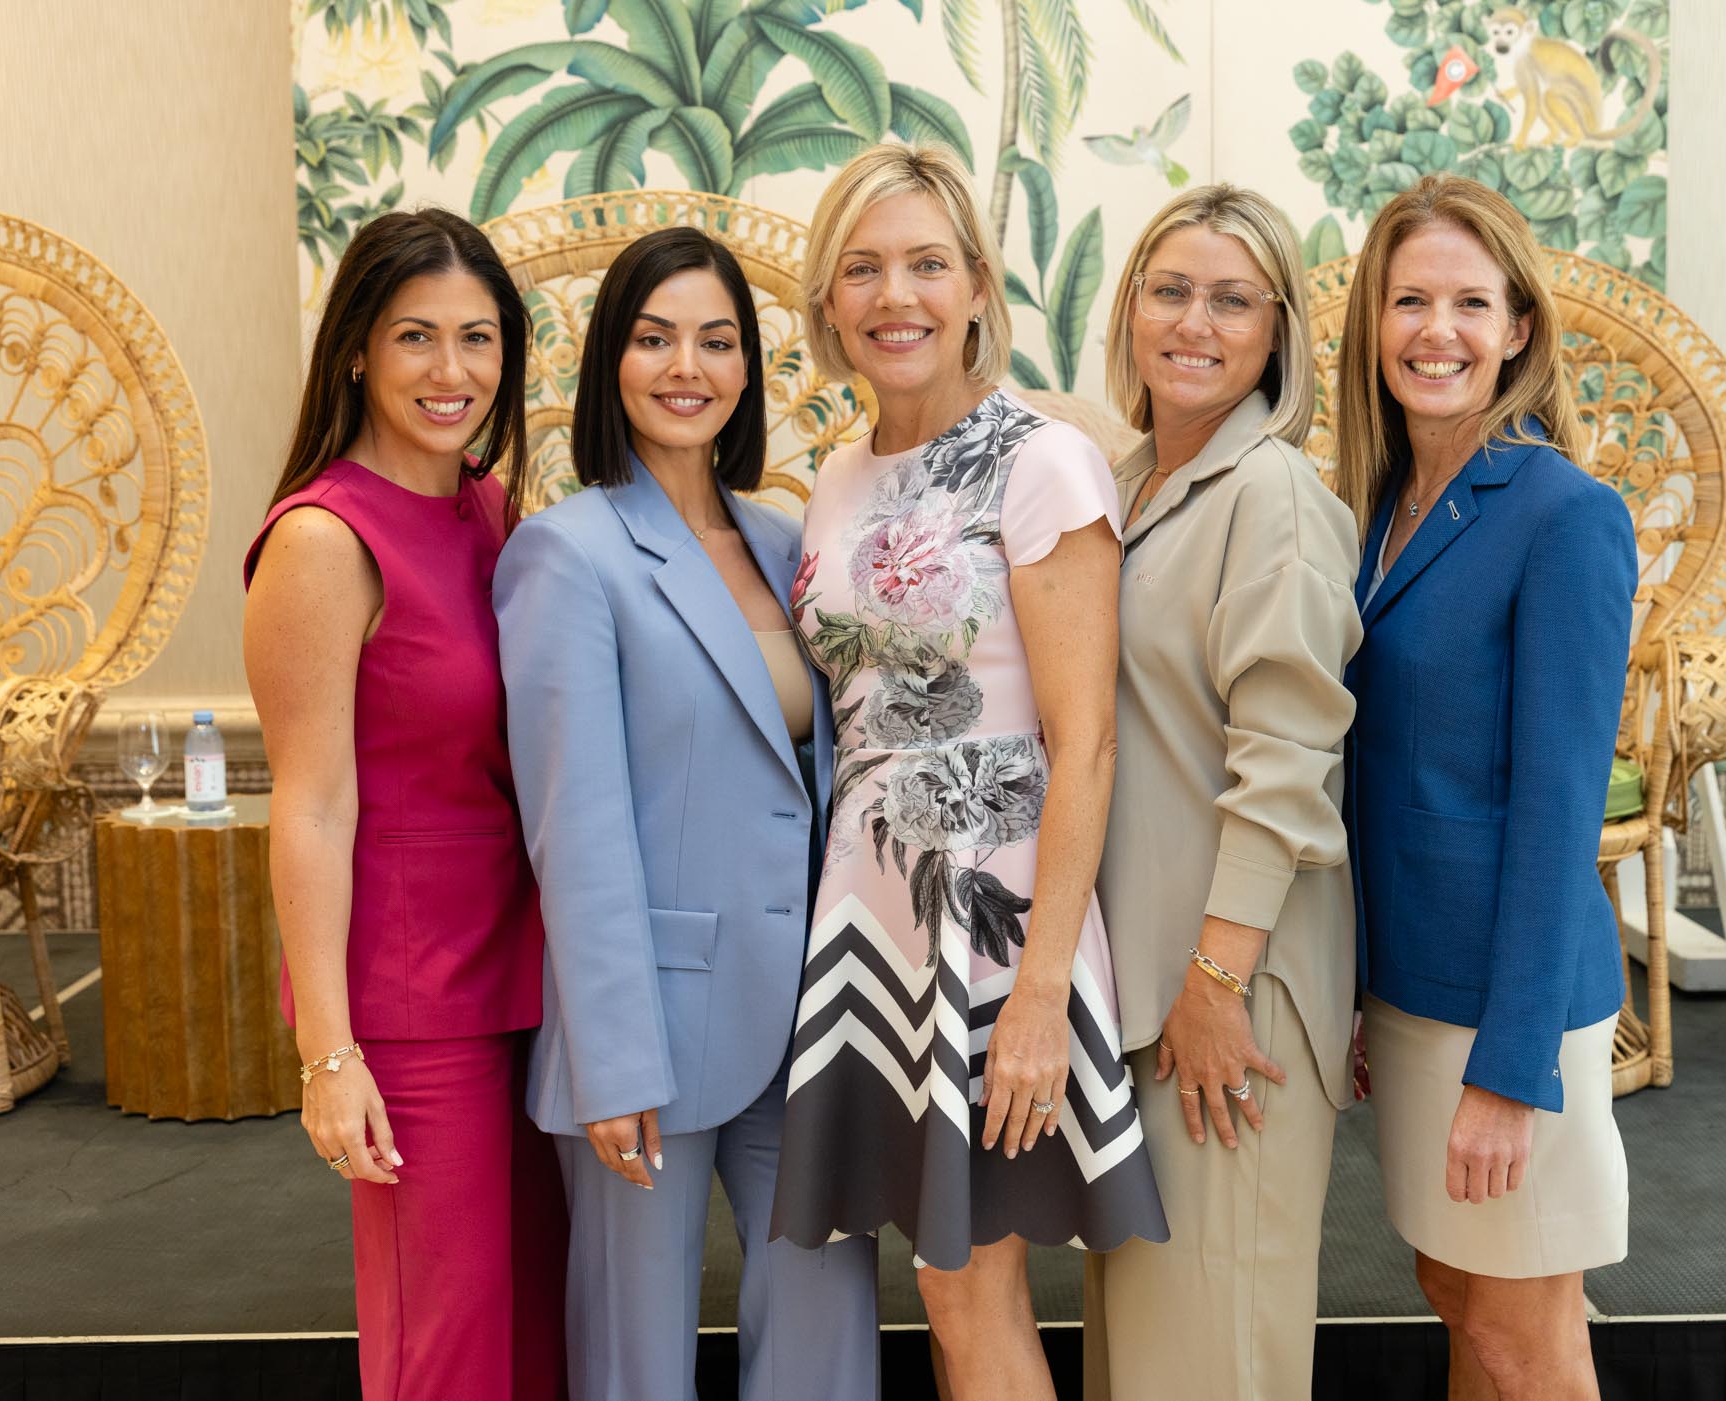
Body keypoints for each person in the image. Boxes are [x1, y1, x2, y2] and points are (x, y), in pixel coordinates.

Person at [768, 142, 1166, 1401]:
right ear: (829, 300)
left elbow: (1084, 743)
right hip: (873, 908)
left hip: (997, 920)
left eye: (928, 265)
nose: (897, 296)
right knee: (942, 1281)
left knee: (967, 1283)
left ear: (979, 285)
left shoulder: (1043, 462)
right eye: (864, 268)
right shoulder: (838, 474)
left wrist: (1043, 987)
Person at [493, 225, 879, 1401]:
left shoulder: (786, 538)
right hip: (648, 1027)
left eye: (716, 341)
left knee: (826, 1344)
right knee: (636, 1367)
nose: (686, 367)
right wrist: (611, 1062)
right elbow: (576, 828)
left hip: (809, 1012)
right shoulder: (566, 554)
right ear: (610, 358)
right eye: (655, 338)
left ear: (747, 368)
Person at [242, 208, 565, 1400]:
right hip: (414, 1006)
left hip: (526, 985)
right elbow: (311, 807)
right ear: (356, 353)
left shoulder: (491, 511)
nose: (451, 370)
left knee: (536, 1334)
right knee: (447, 1349)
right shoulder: (323, 539)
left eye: (477, 337)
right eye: (415, 336)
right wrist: (329, 1054)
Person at [1333, 172, 1636, 1401]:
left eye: (1470, 303)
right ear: (1374, 321)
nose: (1437, 330)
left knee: (1520, 1333)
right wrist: (1357, 985)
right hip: (1412, 987)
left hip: (1509, 1010)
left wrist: (1515, 1071)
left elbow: (1562, 817)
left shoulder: (1566, 515)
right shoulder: (1379, 508)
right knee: (1457, 1298)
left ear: (1518, 329)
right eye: (1410, 300)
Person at [1082, 184, 1363, 1401]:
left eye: (1232, 301)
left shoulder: (1273, 497)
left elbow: (1287, 764)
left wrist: (1215, 983)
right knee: (1145, 1358)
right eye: (1171, 291)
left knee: (1212, 1363)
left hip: (1226, 993)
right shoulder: (1132, 479)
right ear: (1130, 312)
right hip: (1146, 994)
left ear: (1276, 334)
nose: (1195, 322)